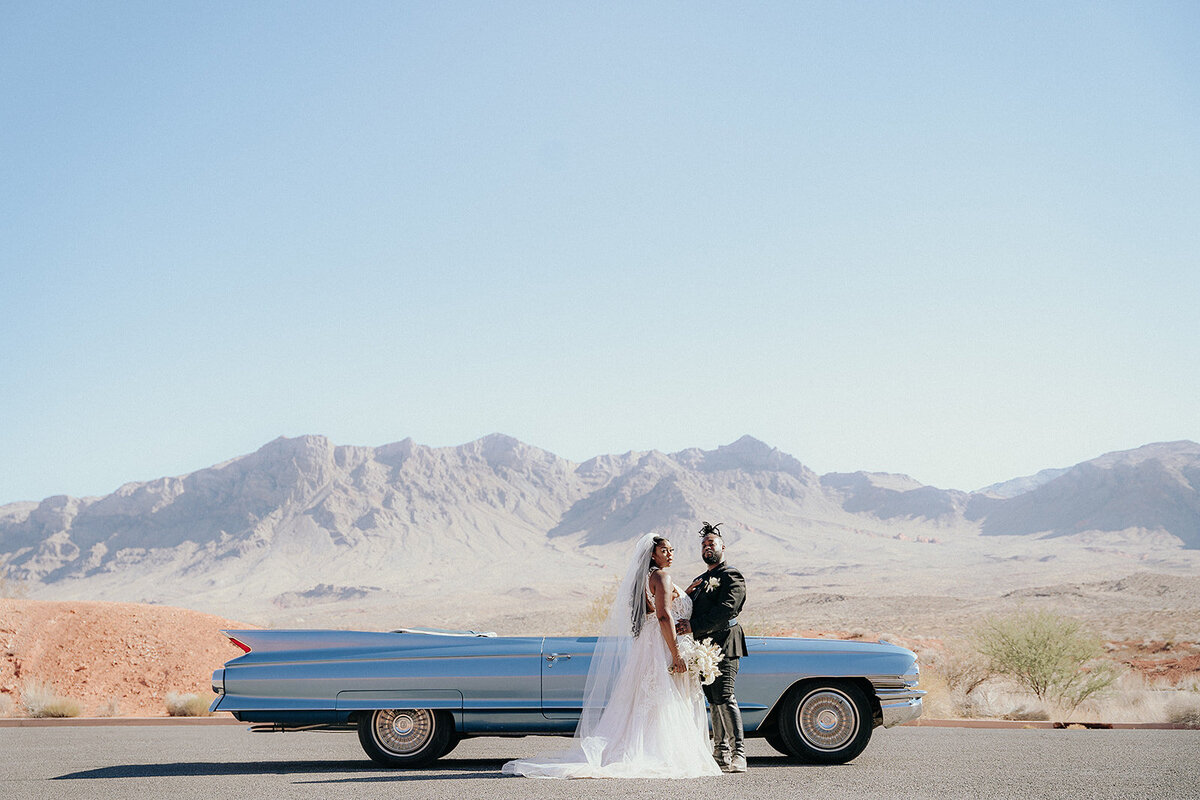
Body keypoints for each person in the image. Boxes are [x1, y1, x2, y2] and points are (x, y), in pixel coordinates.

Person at [502, 533, 722, 779]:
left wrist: (684, 593)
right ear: (652, 554)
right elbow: (663, 616)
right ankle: (662, 752)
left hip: (649, 646)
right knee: (663, 699)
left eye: (672, 550)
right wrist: (676, 653)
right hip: (662, 645)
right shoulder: (661, 576)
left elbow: (657, 608)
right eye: (664, 551)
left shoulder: (646, 579)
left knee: (649, 700)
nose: (670, 554)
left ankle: (650, 747)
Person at [678, 521, 748, 772]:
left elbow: (727, 609)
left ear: (723, 547)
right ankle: (720, 753)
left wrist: (693, 626)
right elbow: (688, 607)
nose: (708, 547)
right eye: (704, 544)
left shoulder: (732, 576)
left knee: (725, 695)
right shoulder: (700, 579)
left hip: (725, 643)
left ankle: (739, 753)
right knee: (712, 699)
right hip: (702, 648)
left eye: (712, 543)